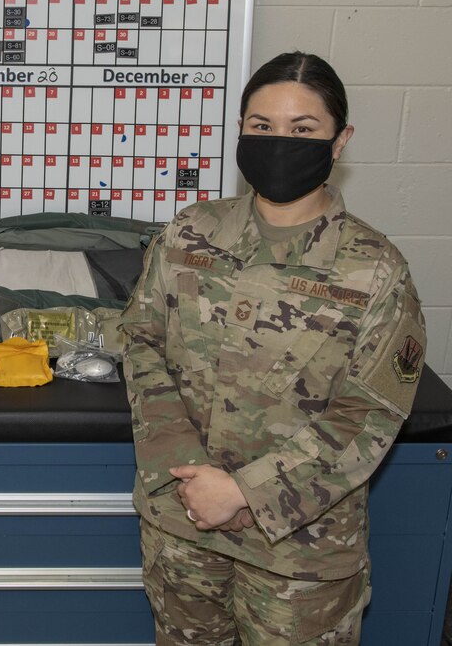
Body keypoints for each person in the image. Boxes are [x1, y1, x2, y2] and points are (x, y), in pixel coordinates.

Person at [119, 52, 426, 645]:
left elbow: (370, 414)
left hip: (299, 556)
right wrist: (187, 472)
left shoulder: (375, 269)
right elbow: (142, 343)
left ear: (340, 141)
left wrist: (244, 493)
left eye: (302, 129)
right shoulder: (189, 233)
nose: (279, 142)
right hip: (182, 522)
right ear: (241, 130)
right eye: (262, 126)